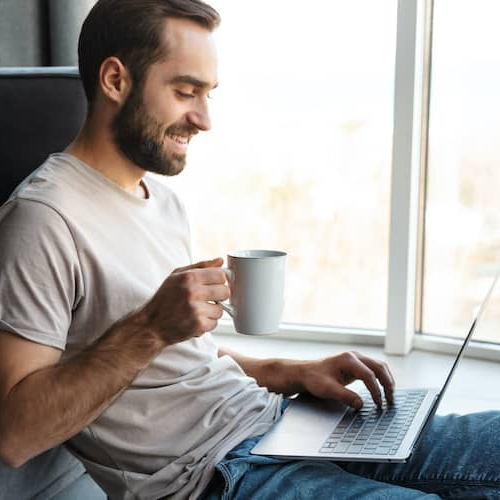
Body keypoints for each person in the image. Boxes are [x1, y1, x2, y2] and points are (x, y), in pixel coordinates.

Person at [0, 1, 499, 499]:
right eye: (185, 91)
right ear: (114, 80)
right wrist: (150, 327)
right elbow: (16, 435)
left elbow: (180, 360)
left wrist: (288, 373)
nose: (204, 119)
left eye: (209, 94)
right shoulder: (44, 219)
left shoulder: (162, 202)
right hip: (213, 476)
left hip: (275, 421)